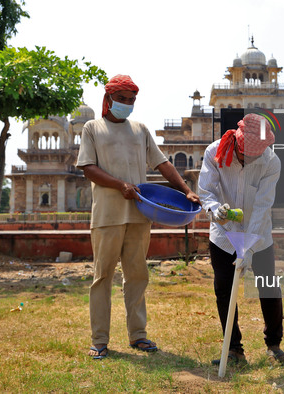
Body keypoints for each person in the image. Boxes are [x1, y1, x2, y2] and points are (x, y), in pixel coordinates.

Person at [77, 74, 200, 359]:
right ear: (109, 99)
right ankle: (99, 340)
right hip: (107, 214)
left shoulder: (140, 129)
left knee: (137, 275)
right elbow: (88, 168)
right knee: (103, 277)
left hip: (139, 214)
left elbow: (162, 163)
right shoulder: (92, 128)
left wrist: (186, 190)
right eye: (122, 100)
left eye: (132, 100)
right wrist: (121, 185)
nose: (127, 104)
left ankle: (138, 336)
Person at [198, 113, 284, 365]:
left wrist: (248, 249)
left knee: (268, 288)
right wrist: (216, 211)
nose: (249, 160)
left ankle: (274, 345)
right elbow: (206, 191)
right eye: (245, 155)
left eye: (255, 156)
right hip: (224, 236)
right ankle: (234, 349)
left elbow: (262, 206)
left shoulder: (271, 162)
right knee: (224, 290)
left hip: (258, 234)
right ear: (237, 143)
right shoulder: (215, 152)